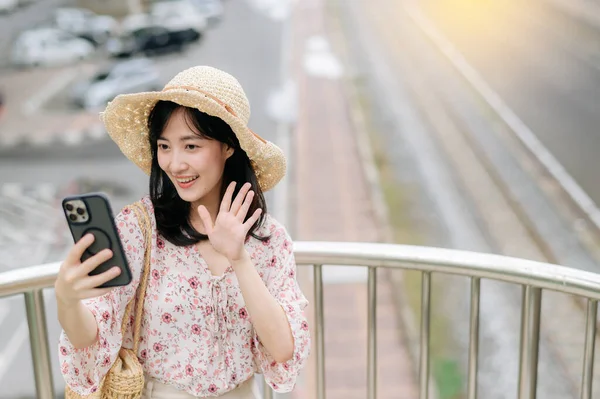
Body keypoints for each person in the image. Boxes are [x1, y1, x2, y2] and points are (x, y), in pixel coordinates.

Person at [55, 66, 310, 398]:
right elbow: (92, 334)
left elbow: (282, 350)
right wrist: (67, 299)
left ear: (228, 146)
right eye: (164, 146)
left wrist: (239, 258)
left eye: (191, 146)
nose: (175, 164)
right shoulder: (140, 229)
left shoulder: (267, 238)